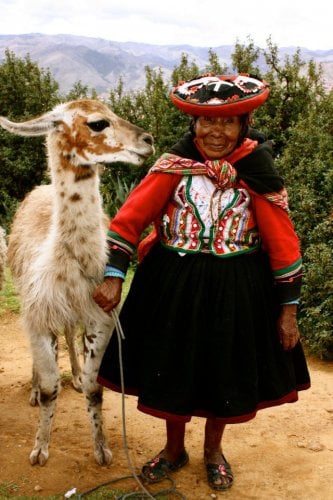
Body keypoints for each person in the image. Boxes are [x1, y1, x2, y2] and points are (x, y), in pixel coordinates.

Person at [93, 74, 311, 491]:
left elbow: (283, 243)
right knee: (173, 369)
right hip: (173, 285)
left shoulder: (256, 170)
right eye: (206, 122)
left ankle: (213, 451)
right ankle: (174, 450)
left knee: (222, 372)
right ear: (193, 124)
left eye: (228, 122)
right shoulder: (173, 167)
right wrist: (114, 277)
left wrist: (288, 312)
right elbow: (129, 222)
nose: (216, 131)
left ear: (243, 124)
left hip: (237, 287)